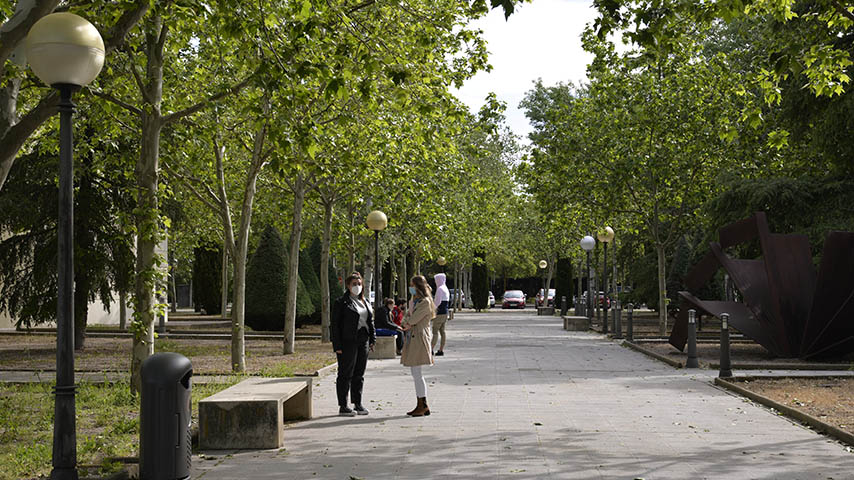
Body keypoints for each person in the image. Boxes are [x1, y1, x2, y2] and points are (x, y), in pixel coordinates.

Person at [330, 272, 375, 416]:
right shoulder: (341, 302)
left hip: (363, 341)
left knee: (359, 374)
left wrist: (372, 339)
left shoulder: (365, 301)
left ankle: (358, 403)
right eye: (354, 284)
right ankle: (343, 405)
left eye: (359, 284)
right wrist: (337, 345)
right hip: (347, 342)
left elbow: (370, 322)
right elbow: (335, 325)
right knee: (345, 374)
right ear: (348, 286)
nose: (357, 286)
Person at [400, 275, 435, 417]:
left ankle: (423, 404)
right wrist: (407, 319)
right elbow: (405, 320)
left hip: (419, 338)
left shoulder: (425, 302)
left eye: (412, 285)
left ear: (418, 286)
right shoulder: (415, 301)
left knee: (417, 373)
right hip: (413, 338)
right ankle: (421, 403)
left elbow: (412, 320)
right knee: (415, 373)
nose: (411, 288)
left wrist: (408, 320)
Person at [431, 273, 450, 356]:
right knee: (442, 331)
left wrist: (432, 309)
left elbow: (437, 302)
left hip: (439, 313)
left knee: (435, 331)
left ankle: (430, 349)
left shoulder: (439, 289)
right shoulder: (446, 289)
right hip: (445, 312)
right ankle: (441, 349)